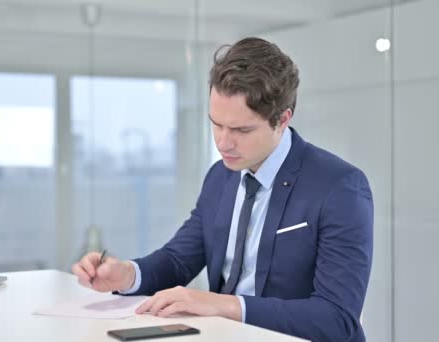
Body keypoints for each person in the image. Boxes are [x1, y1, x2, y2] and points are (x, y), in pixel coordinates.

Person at [72, 37, 373, 342]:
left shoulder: (339, 187)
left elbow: (336, 318)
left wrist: (222, 305)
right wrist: (127, 274)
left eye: (242, 130)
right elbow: (179, 259)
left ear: (282, 119)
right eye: (216, 124)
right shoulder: (221, 176)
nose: (223, 143)